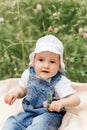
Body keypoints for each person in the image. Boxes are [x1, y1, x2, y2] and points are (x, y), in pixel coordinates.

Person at [2, 34, 80, 130]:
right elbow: (23, 89)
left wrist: (61, 102)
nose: (46, 65)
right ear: (34, 60)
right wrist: (15, 93)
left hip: (49, 114)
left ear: (59, 65)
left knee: (40, 126)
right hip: (29, 112)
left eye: (52, 62)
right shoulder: (29, 74)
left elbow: (76, 99)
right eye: (41, 60)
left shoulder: (59, 81)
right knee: (11, 122)